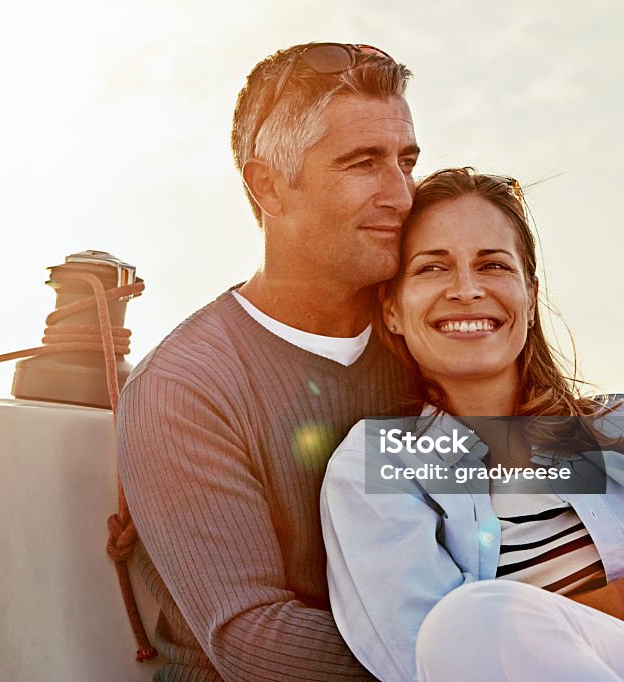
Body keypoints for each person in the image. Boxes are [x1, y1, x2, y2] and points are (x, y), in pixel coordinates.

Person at [321, 168, 624, 681]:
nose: (466, 290)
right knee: (461, 624)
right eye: (432, 269)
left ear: (531, 297)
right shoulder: (378, 462)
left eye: (492, 265)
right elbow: (435, 662)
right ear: (392, 311)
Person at [117, 42, 421, 680]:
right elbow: (254, 641)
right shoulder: (182, 388)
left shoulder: (425, 346)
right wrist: (504, 650)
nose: (401, 194)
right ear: (269, 186)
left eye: (406, 160)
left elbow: (536, 480)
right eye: (363, 163)